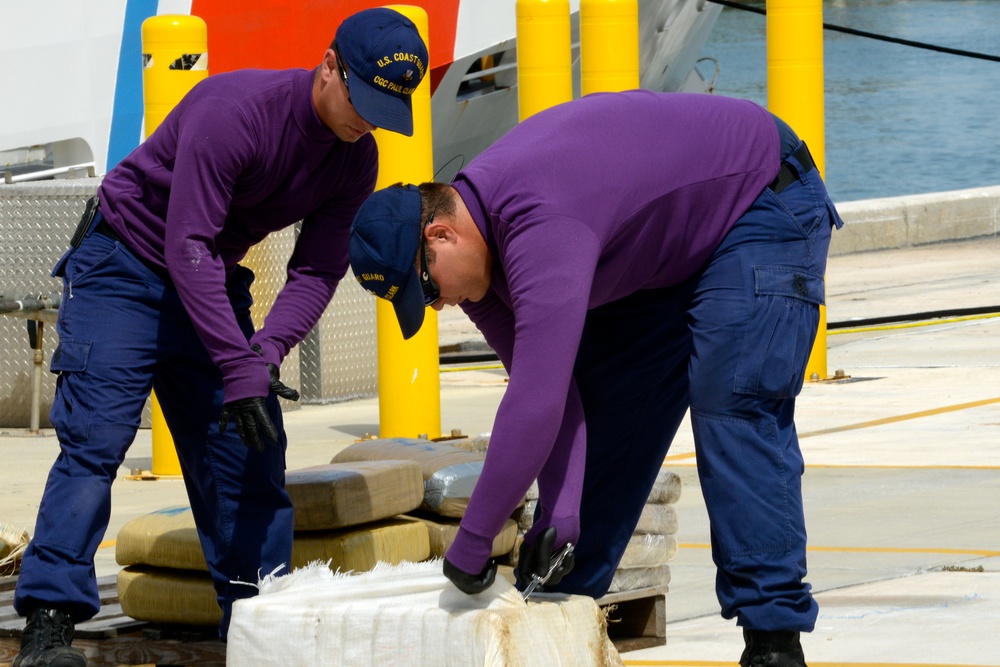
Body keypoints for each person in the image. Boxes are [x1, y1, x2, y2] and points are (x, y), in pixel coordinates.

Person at [349, 90, 843, 667]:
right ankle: (565, 616)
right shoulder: (481, 269)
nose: (438, 308)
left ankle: (773, 639)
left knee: (731, 401)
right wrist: (559, 518)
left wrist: (474, 540)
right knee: (610, 397)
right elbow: (554, 396)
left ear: (440, 236)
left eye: (427, 291)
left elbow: (534, 403)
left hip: (760, 203)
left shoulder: (538, 221)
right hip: (673, 247)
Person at [12, 8, 427, 666]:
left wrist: (264, 353)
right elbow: (188, 244)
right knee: (97, 441)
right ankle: (50, 622)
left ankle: (258, 618)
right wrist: (236, 363)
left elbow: (318, 268)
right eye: (363, 100)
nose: (367, 121)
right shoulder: (234, 112)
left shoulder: (356, 160)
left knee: (251, 449)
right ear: (328, 64)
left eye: (385, 109)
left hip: (206, 278)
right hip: (126, 265)